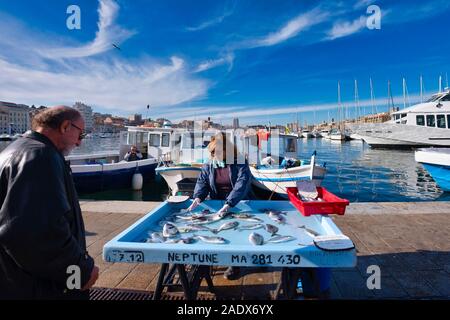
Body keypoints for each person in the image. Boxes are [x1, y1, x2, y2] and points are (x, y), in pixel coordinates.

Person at [0, 106, 99, 300]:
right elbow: (39, 233)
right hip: (39, 288)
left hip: (15, 280)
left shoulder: (15, 150)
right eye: (81, 133)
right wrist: (80, 272)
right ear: (64, 126)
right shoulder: (40, 157)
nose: (79, 142)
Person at [188, 132, 252, 280]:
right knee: (217, 231)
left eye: (215, 152)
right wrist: (198, 197)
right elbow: (202, 182)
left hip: (239, 203)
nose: (212, 155)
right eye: (211, 152)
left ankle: (234, 263)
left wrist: (229, 203)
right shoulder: (209, 164)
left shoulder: (240, 162)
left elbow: (241, 185)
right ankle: (212, 257)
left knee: (236, 231)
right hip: (217, 201)